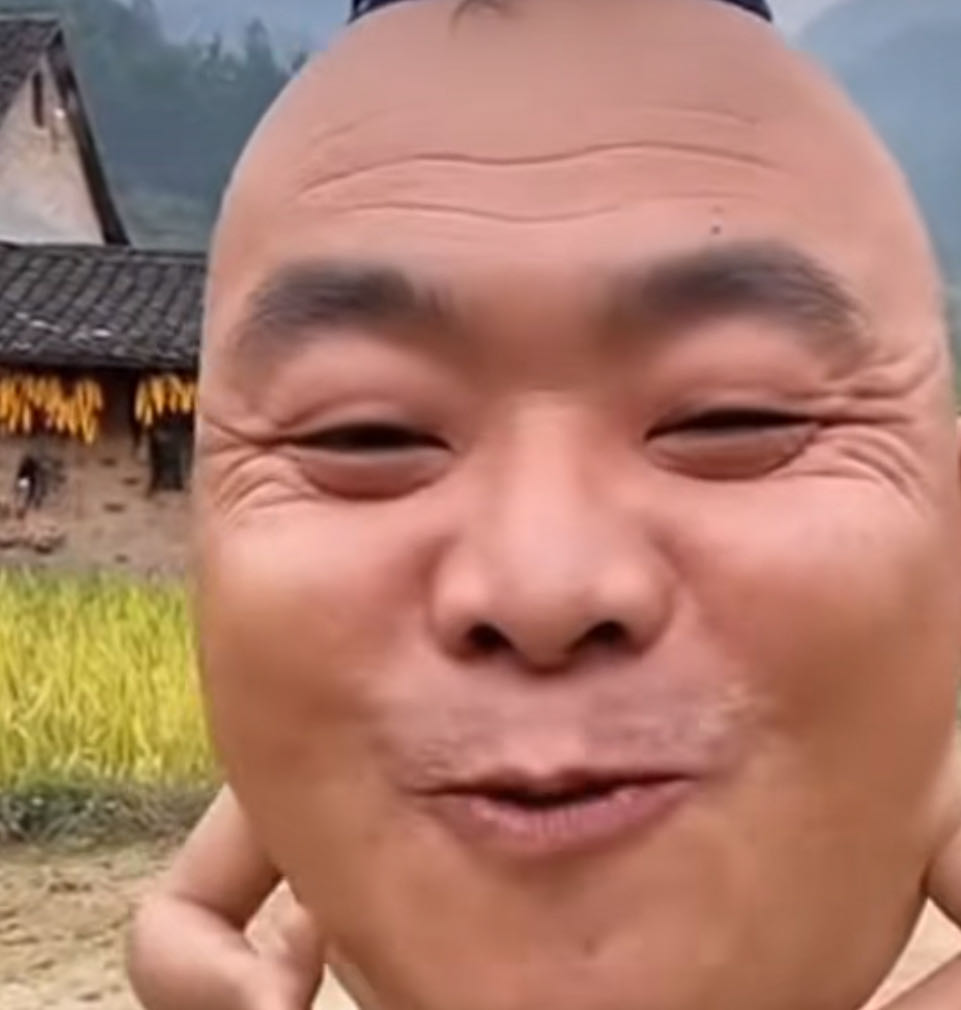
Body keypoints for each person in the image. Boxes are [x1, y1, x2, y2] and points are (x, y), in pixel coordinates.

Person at [129, 0, 961, 1008]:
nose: (542, 584)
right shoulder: (294, 770)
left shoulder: (924, 757)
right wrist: (230, 984)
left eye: (731, 416)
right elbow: (177, 916)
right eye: (366, 435)